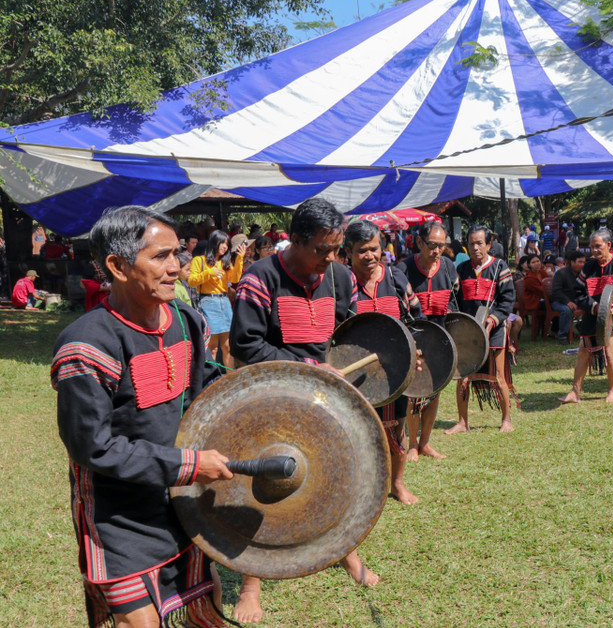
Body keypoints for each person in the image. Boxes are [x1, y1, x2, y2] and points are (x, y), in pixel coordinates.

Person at [51, 206, 234, 628]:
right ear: (116, 265)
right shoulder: (87, 346)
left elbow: (202, 390)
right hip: (119, 514)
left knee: (206, 606)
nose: (175, 268)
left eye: (177, 255)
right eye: (160, 256)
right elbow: (92, 446)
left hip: (184, 502)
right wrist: (187, 465)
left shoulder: (187, 321)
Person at [230, 198, 373, 623]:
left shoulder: (340, 276)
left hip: (322, 402)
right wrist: (309, 367)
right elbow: (246, 346)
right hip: (270, 404)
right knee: (264, 489)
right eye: (322, 250)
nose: (330, 258)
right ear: (295, 239)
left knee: (332, 476)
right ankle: (252, 583)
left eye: (335, 249)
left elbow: (346, 334)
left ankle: (344, 552)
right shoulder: (261, 278)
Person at [346, 220, 424, 504]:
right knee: (357, 429)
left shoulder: (396, 279)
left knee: (397, 425)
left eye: (374, 249)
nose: (369, 256)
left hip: (394, 370)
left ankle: (397, 484)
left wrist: (415, 346)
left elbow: (417, 319)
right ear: (349, 253)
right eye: (362, 250)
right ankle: (364, 488)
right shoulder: (343, 284)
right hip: (355, 373)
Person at [396, 221, 459, 462]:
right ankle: (411, 444)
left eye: (442, 246)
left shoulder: (448, 268)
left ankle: (425, 443)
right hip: (414, 340)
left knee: (435, 390)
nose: (437, 251)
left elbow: (454, 302)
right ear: (420, 242)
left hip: (440, 339)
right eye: (432, 245)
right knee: (413, 392)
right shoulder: (403, 269)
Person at [448, 224, 516, 434]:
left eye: (479, 243)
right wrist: (455, 318)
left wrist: (494, 319)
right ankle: (462, 422)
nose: (476, 247)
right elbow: (453, 299)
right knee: (462, 377)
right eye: (471, 244)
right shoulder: (462, 269)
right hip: (468, 331)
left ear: (489, 244)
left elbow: (508, 299)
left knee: (498, 375)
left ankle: (506, 419)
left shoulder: (500, 267)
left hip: (494, 330)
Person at [560, 229, 613, 404]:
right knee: (583, 352)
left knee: (609, 353)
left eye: (598, 246)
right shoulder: (589, 266)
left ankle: (612, 390)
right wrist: (592, 306)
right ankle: (575, 392)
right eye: (591, 247)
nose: (594, 250)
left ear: (609, 245)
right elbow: (578, 291)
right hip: (592, 313)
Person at [188, 229, 246, 369]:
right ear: (214, 242)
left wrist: (239, 258)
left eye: (227, 244)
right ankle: (212, 379)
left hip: (224, 302)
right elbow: (191, 281)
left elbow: (235, 278)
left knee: (227, 346)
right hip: (208, 302)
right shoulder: (199, 260)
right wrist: (209, 272)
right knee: (212, 347)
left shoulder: (225, 262)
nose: (225, 247)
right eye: (222, 243)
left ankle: (230, 377)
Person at [550, 250, 586, 344]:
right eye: (580, 262)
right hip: (558, 302)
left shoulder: (582, 274)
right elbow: (556, 291)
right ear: (572, 262)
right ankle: (562, 335)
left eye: (583, 262)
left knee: (591, 305)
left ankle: (584, 329)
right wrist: (567, 302)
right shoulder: (561, 273)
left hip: (576, 300)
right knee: (566, 310)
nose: (582, 264)